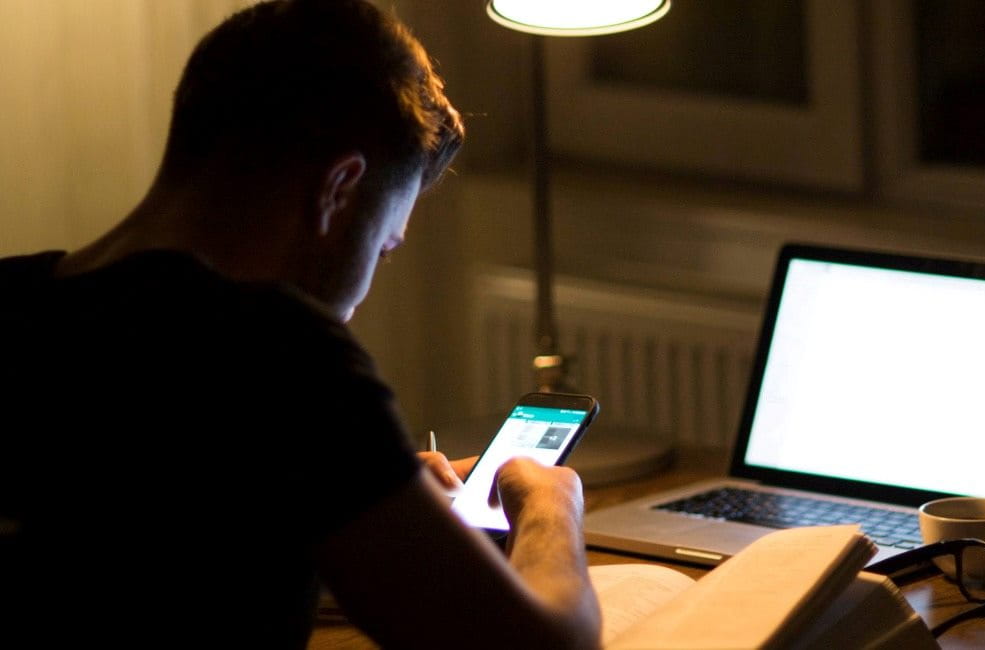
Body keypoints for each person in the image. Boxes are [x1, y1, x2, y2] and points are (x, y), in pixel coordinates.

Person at [0, 1, 600, 648]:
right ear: (338, 187)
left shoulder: (15, 299)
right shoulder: (280, 354)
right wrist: (550, 504)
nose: (361, 299)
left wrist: (364, 506)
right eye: (383, 248)